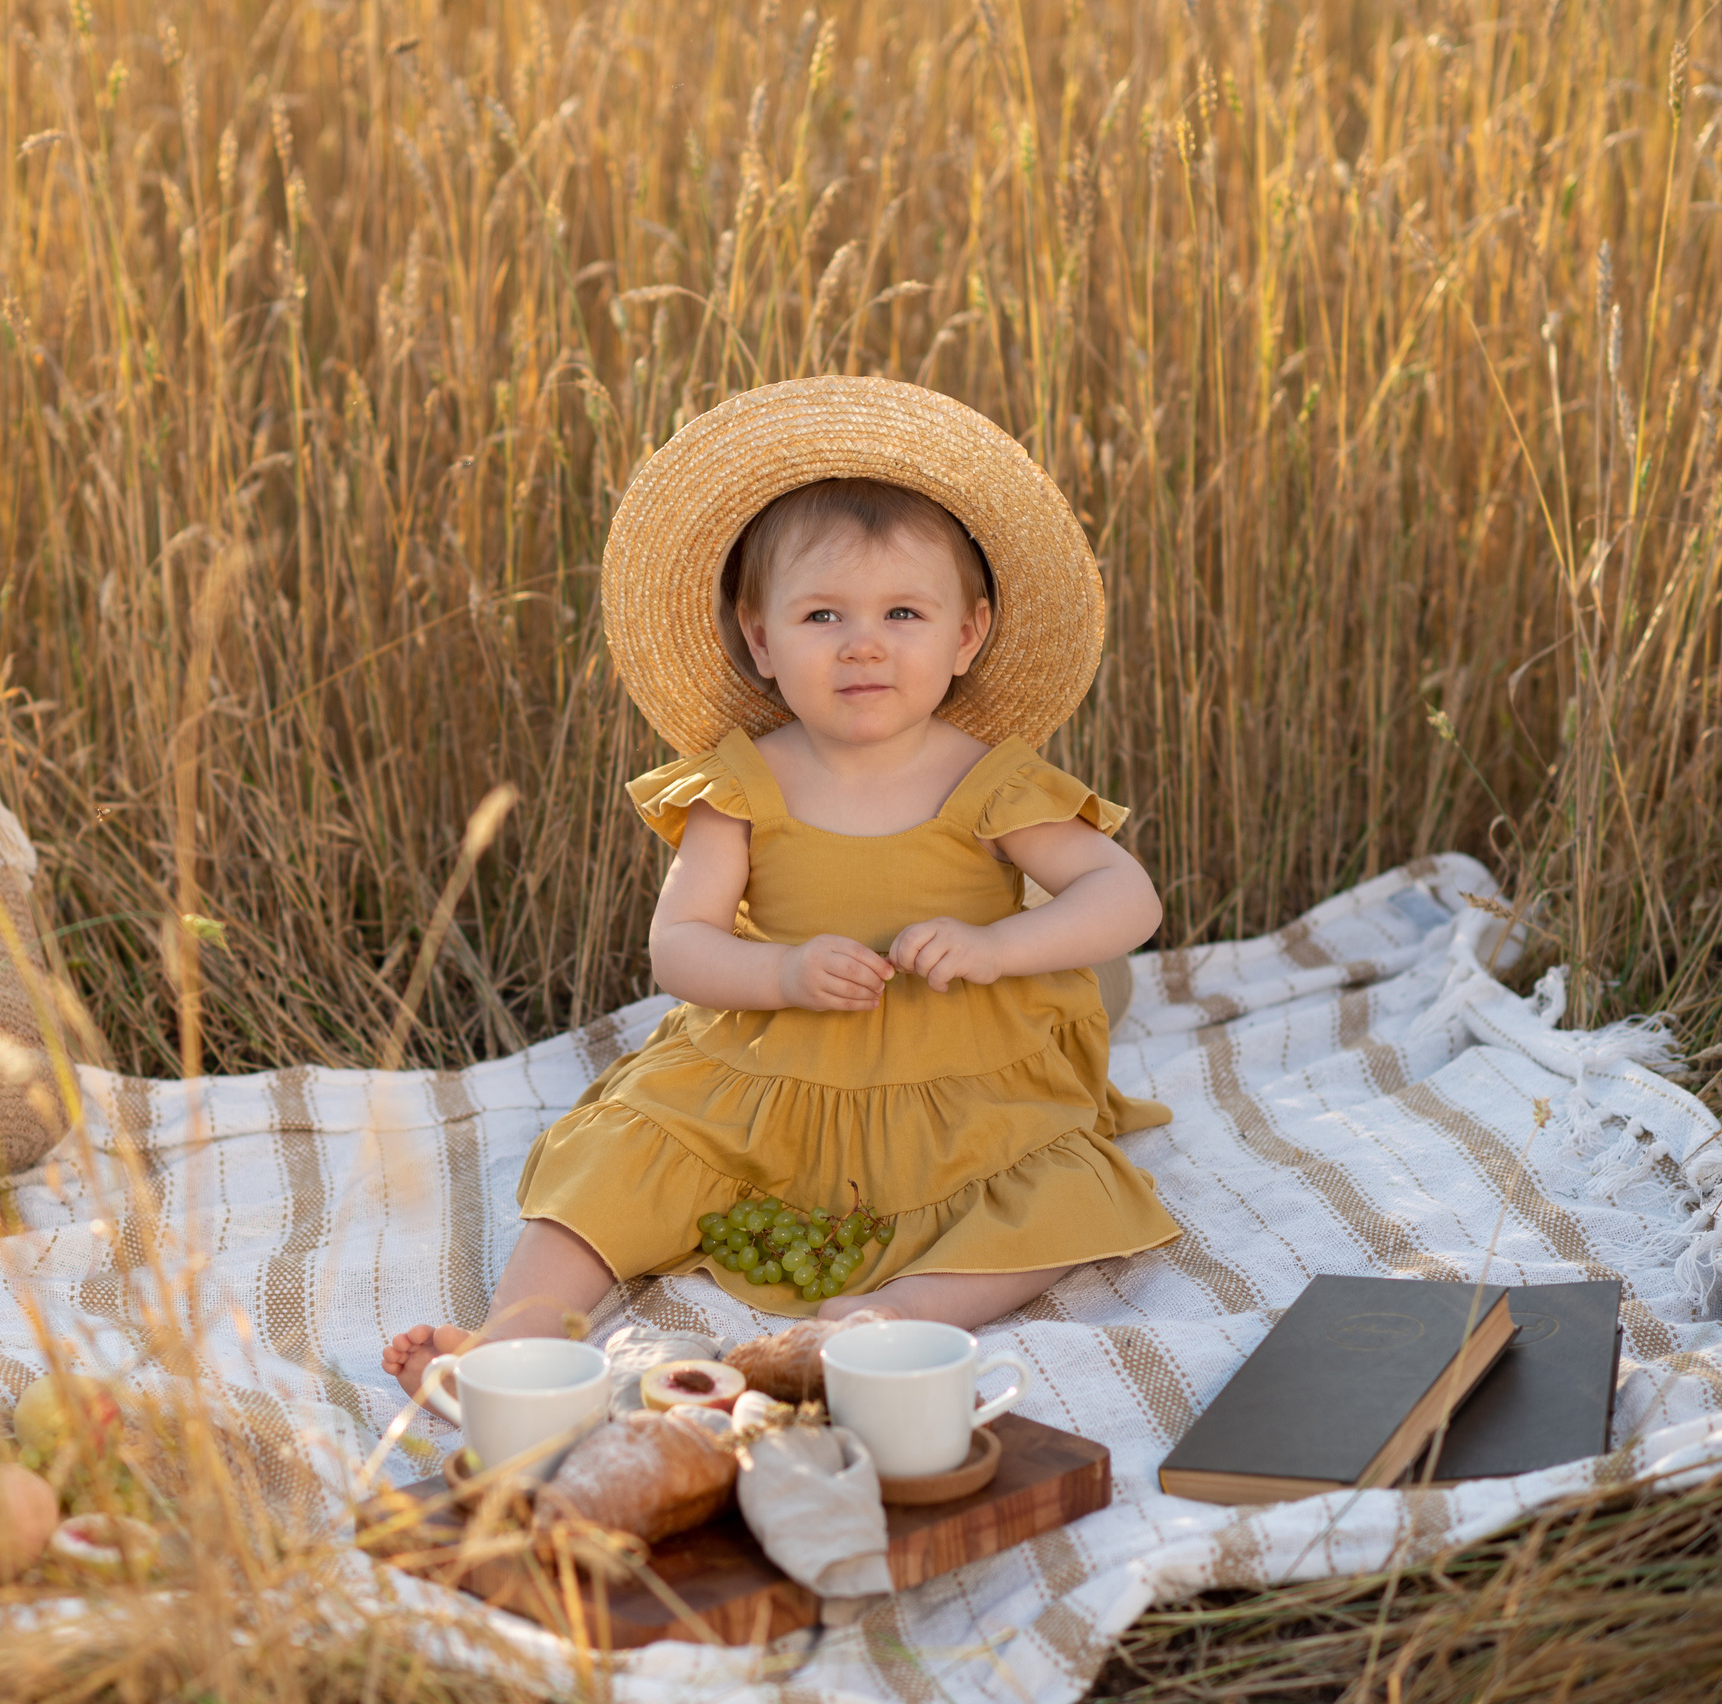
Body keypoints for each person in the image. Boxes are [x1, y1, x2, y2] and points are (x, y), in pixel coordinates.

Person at [386, 377, 1179, 1404]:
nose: (863, 642)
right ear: (761, 640)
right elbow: (680, 945)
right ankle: (510, 1343)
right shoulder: (742, 786)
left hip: (955, 1075)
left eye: (904, 612)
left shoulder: (990, 781)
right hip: (770, 1071)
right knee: (619, 1153)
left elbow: (1123, 898)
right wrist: (784, 971)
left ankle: (896, 1314)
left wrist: (997, 947)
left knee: (1066, 1194)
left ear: (967, 635)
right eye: (821, 615)